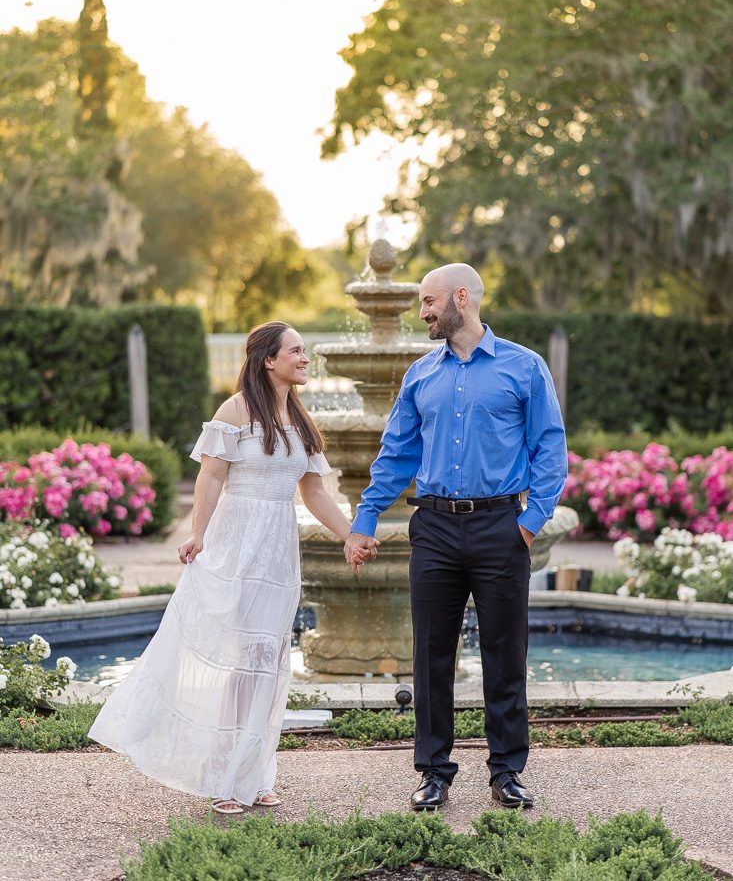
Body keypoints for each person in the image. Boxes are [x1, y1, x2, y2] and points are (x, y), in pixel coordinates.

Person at [89, 321, 374, 814]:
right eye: (296, 351)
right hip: (236, 544)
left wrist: (349, 534)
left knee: (268, 665)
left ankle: (257, 775)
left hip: (279, 553)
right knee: (240, 663)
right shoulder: (235, 410)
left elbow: (314, 492)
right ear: (269, 360)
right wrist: (197, 533)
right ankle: (223, 777)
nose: (305, 359)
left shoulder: (301, 421)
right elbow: (212, 478)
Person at [344, 264, 567, 811]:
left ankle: (507, 771)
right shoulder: (420, 374)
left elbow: (550, 449)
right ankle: (434, 772)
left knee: (505, 655)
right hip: (436, 528)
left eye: (428, 302)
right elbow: (396, 455)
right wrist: (365, 518)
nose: (422, 312)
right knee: (431, 655)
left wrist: (530, 521)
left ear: (460, 298)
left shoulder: (524, 367)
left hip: (500, 528)